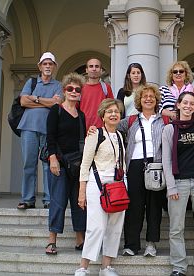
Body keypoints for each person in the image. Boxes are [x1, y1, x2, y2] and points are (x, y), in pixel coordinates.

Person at [162, 92, 194, 276]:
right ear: (178, 104)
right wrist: (171, 186)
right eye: (185, 102)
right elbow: (166, 161)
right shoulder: (169, 129)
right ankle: (179, 267)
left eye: (192, 103)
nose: (188, 106)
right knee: (176, 227)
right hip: (179, 182)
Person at [75, 99, 125, 276]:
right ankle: (83, 267)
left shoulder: (119, 135)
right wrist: (82, 192)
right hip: (97, 185)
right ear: (103, 116)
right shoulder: (95, 134)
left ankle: (106, 267)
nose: (113, 114)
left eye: (116, 111)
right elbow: (85, 164)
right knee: (96, 227)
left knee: (115, 227)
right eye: (109, 111)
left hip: (116, 186)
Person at [117, 84, 166, 257]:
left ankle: (151, 244)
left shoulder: (164, 120)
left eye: (152, 96)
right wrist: (94, 129)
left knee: (154, 207)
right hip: (135, 166)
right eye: (145, 96)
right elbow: (111, 126)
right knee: (134, 207)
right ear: (139, 100)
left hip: (157, 166)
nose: (148, 99)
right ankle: (131, 244)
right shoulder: (130, 120)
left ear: (156, 100)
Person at [45, 72, 87, 255]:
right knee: (58, 201)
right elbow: (50, 136)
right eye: (70, 88)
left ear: (80, 93)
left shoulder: (82, 115)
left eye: (77, 89)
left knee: (79, 203)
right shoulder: (57, 110)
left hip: (77, 165)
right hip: (60, 164)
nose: (74, 91)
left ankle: (80, 239)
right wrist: (52, 158)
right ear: (64, 91)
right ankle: (52, 240)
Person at [17, 52, 62, 209]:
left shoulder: (58, 85)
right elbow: (23, 101)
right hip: (28, 127)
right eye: (45, 64)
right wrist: (46, 102)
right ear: (40, 66)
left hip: (47, 130)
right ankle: (28, 199)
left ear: (54, 66)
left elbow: (56, 104)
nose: (48, 66)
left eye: (50, 64)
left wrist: (35, 99)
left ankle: (49, 199)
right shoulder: (32, 82)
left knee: (47, 164)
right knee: (28, 164)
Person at [80, 58, 114, 130]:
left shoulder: (106, 88)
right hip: (83, 129)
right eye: (91, 66)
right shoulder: (80, 88)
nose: (94, 69)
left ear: (101, 70)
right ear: (86, 70)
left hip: (102, 129)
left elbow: (111, 108)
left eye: (97, 66)